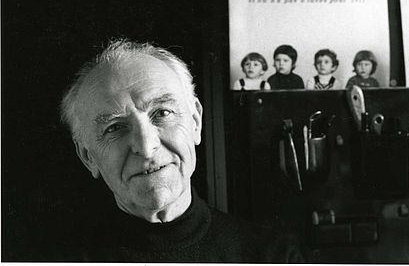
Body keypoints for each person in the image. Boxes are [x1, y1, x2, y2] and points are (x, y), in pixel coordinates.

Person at [60, 38, 304, 262]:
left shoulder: (274, 258)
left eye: (162, 113)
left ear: (195, 121)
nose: (146, 148)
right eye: (114, 128)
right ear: (87, 156)